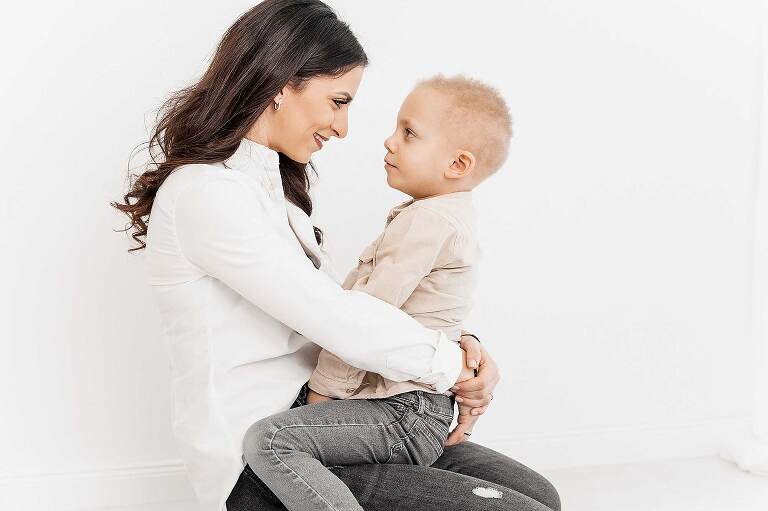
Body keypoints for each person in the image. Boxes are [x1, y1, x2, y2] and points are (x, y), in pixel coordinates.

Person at [111, 2, 561, 510]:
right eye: (338, 101)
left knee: (539, 495)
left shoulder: (275, 198)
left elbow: (360, 309)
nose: (344, 127)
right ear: (281, 84)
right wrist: (451, 364)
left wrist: (464, 347)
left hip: (336, 424)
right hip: (264, 459)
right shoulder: (205, 194)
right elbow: (336, 318)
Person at [242, 74, 514, 511]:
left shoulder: (427, 222)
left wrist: (324, 394)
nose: (389, 142)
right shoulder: (449, 217)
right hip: (418, 406)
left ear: (458, 164)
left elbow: (365, 315)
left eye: (408, 133)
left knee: (274, 440)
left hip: (400, 409)